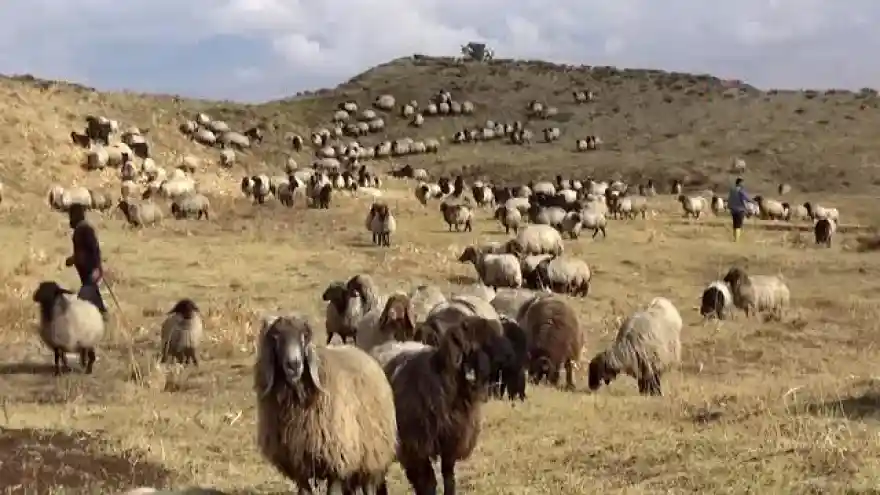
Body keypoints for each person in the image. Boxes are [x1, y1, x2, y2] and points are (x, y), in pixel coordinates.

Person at [64, 204, 108, 319]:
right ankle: (104, 317)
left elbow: (94, 249)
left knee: (83, 299)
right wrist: (73, 259)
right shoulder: (80, 230)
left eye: (71, 216)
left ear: (76, 216)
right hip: (86, 274)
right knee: (93, 298)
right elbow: (83, 252)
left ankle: (102, 318)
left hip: (90, 272)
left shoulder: (85, 229)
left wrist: (97, 268)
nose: (69, 219)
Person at [727, 177, 751, 242]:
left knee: (735, 224)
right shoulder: (741, 191)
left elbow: (729, 199)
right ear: (740, 183)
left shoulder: (732, 190)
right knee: (739, 224)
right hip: (740, 209)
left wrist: (729, 206)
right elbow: (746, 198)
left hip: (733, 209)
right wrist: (751, 201)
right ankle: (737, 239)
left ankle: (735, 238)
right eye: (742, 183)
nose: (743, 184)